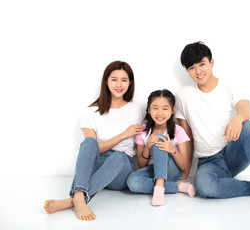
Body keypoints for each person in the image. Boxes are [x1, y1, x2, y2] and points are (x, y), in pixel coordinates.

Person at [175, 42, 250, 217]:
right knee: (204, 186)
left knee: (247, 126)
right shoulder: (183, 95)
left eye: (202, 64)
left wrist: (237, 119)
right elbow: (185, 137)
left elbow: (246, 109)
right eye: (192, 67)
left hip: (233, 153)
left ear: (212, 63)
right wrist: (186, 170)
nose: (198, 71)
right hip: (208, 162)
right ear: (187, 71)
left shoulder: (228, 85)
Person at [43, 61, 144, 220]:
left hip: (121, 169)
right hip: (97, 166)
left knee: (118, 156)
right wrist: (123, 135)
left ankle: (73, 200)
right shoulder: (91, 111)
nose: (119, 84)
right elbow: (92, 150)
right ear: (106, 81)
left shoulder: (135, 109)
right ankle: (78, 197)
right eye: (114, 79)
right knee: (89, 143)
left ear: (130, 82)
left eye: (124, 80)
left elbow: (141, 142)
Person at [126, 89, 195, 206]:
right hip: (155, 169)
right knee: (132, 182)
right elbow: (142, 165)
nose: (160, 113)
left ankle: (159, 189)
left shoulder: (178, 130)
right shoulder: (142, 131)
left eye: (165, 108)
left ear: (172, 110)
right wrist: (147, 147)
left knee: (158, 138)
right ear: (149, 109)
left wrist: (172, 150)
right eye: (155, 108)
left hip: (172, 170)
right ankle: (177, 187)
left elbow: (184, 165)